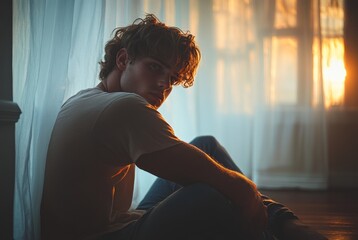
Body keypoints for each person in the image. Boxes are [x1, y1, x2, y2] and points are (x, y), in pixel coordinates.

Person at [40, 14, 327, 240]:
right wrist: (244, 191)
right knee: (211, 191)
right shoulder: (124, 107)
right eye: (155, 67)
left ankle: (283, 228)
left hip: (120, 224)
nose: (165, 84)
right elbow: (228, 185)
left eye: (173, 78)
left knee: (205, 146)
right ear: (124, 59)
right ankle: (284, 230)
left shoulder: (87, 98)